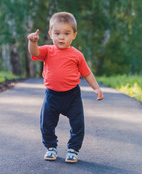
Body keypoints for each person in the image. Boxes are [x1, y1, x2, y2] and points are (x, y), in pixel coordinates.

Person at [27, 12, 104, 163]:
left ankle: (73, 150)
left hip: (72, 96)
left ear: (74, 35)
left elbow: (87, 73)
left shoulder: (77, 55)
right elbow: (34, 52)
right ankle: (51, 148)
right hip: (52, 96)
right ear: (50, 34)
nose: (61, 37)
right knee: (46, 123)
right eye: (57, 33)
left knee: (78, 124)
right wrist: (33, 42)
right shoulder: (48, 50)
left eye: (66, 33)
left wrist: (96, 88)